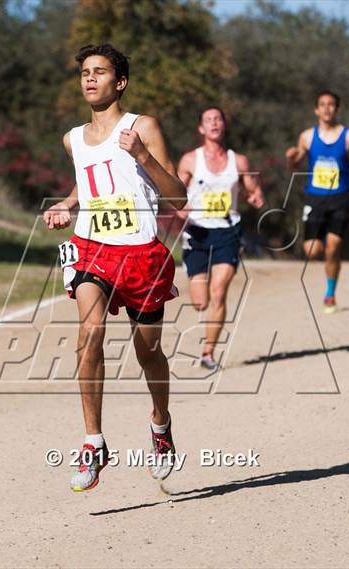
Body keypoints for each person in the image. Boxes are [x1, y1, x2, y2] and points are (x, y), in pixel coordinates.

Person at [43, 44, 187, 491]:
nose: (89, 79)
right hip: (92, 248)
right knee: (89, 334)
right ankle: (93, 441)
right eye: (85, 72)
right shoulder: (72, 138)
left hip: (140, 254)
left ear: (119, 82)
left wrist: (143, 156)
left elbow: (178, 197)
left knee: (148, 353)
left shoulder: (142, 127)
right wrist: (67, 205)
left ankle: (160, 426)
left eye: (99, 72)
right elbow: (89, 179)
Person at [177, 107, 263, 371]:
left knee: (218, 292)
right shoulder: (190, 160)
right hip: (197, 232)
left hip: (228, 231)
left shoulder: (239, 162)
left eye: (218, 119)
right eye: (208, 120)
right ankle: (208, 347)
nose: (214, 123)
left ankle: (208, 353)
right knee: (200, 301)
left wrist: (256, 196)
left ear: (224, 126)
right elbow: (176, 192)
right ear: (201, 129)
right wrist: (179, 207)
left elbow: (252, 188)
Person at [286, 91, 349, 313]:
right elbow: (295, 165)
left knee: (333, 247)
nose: (327, 108)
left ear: (337, 109)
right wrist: (290, 158)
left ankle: (330, 294)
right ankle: (326, 261)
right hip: (315, 199)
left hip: (340, 199)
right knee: (312, 250)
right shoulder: (307, 137)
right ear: (316, 109)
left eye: (331, 105)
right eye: (323, 104)